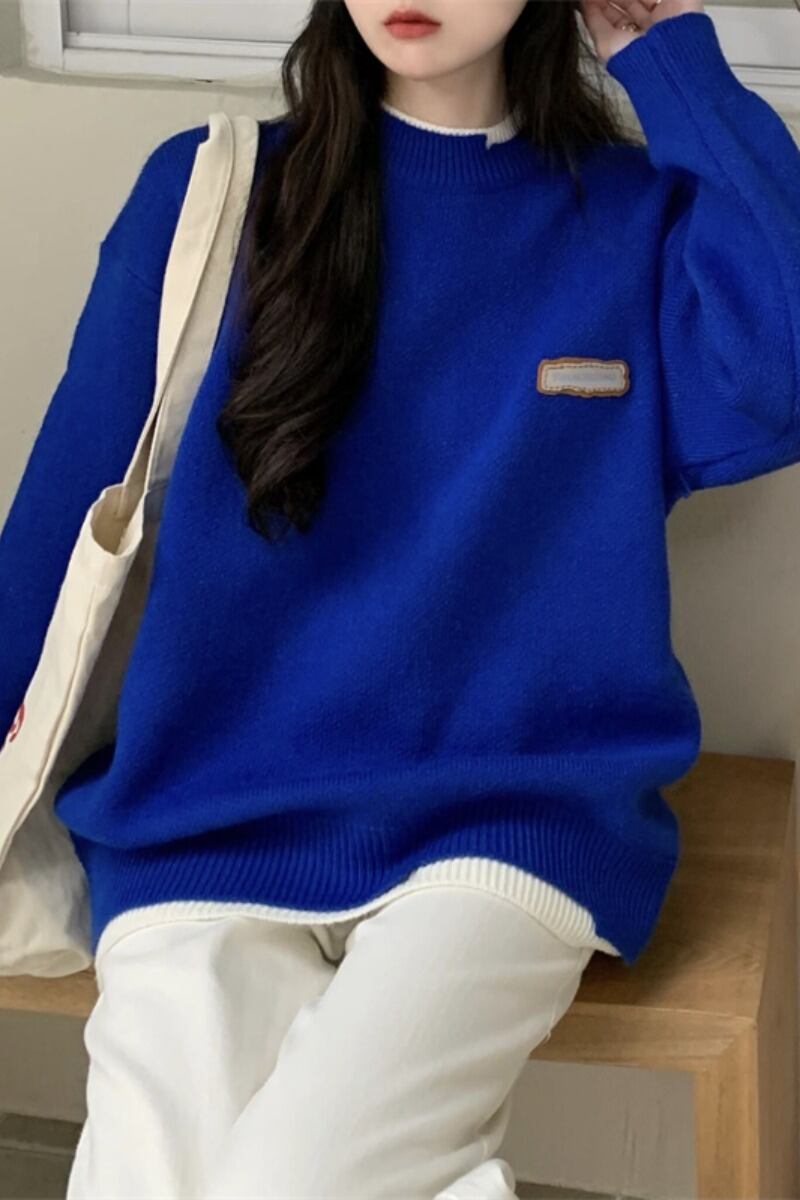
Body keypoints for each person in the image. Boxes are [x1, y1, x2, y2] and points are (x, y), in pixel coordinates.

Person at [1, 0, 799, 1195]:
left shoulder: (628, 221)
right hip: (206, 819)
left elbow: (782, 365)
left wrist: (662, 57)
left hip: (505, 822)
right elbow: (60, 520)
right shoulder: (208, 195)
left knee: (293, 1181)